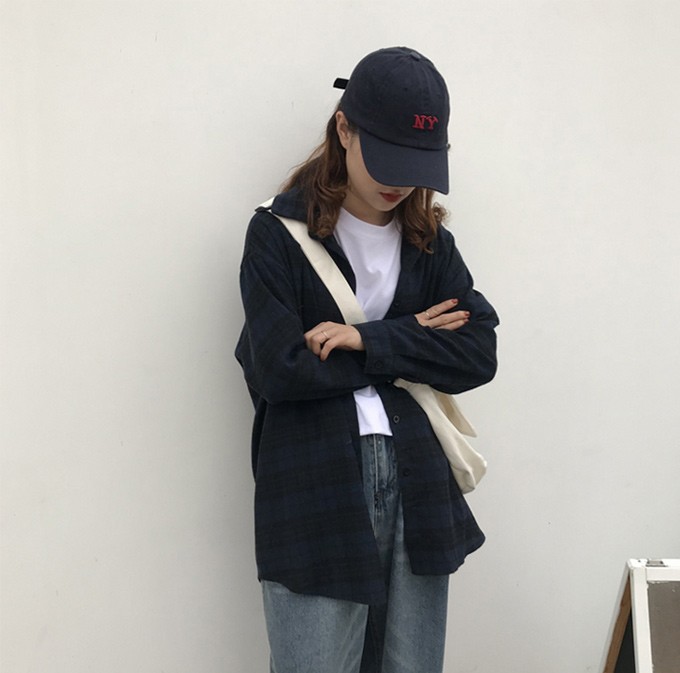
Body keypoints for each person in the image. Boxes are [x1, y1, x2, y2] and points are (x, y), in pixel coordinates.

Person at [235, 46, 499, 673]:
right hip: (315, 486)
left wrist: (367, 340)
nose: (399, 182)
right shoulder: (277, 235)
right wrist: (412, 343)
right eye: (387, 158)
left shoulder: (429, 242)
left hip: (419, 480)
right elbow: (278, 369)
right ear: (344, 129)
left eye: (416, 165)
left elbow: (478, 352)